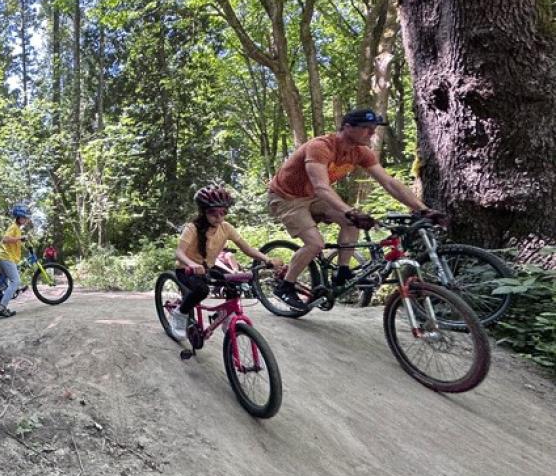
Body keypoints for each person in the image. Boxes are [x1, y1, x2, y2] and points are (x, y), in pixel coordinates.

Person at [266, 108, 446, 310]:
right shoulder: (321, 147)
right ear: (347, 127)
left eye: (374, 129)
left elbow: (388, 182)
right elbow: (321, 186)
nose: (371, 133)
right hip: (286, 197)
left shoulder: (360, 152)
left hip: (313, 196)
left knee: (351, 221)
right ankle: (285, 285)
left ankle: (342, 272)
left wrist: (422, 209)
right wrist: (349, 211)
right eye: (366, 129)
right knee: (315, 243)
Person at [170, 188, 282, 339]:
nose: (219, 217)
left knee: (235, 282)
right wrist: (191, 264)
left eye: (223, 212)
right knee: (201, 290)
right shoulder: (192, 228)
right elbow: (179, 252)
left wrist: (267, 260)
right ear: (203, 212)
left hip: (207, 268)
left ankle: (225, 317)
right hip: (186, 269)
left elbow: (247, 248)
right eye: (213, 213)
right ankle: (180, 314)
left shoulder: (226, 228)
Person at [0, 205, 32, 318]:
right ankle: (1, 308)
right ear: (19, 217)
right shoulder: (13, 227)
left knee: (3, 285)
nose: (26, 219)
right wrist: (20, 238)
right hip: (6, 258)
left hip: (6, 257)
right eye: (24, 217)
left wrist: (24, 244)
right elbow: (5, 239)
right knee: (15, 281)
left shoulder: (17, 229)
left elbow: (14, 243)